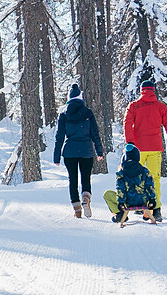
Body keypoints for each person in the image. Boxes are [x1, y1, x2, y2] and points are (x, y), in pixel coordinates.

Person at [122, 77, 167, 220]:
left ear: (141, 91)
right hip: (155, 147)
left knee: (138, 177)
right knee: (155, 178)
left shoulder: (134, 106)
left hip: (138, 149)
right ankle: (156, 210)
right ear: (153, 91)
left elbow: (127, 124)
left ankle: (141, 206)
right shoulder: (161, 107)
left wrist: (130, 143)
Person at [51, 82, 104, 218]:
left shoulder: (64, 115)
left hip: (70, 152)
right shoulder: (88, 113)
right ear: (80, 98)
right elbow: (95, 134)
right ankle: (85, 199)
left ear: (69, 99)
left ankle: (77, 210)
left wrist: (57, 156)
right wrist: (99, 151)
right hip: (86, 150)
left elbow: (59, 137)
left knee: (72, 180)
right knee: (86, 179)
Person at [102, 142, 158, 226]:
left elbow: (121, 189)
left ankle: (119, 214)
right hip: (143, 200)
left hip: (127, 202)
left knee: (107, 194)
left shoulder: (121, 173)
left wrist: (121, 202)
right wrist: (152, 199)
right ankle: (147, 214)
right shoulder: (144, 171)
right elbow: (150, 186)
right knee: (155, 189)